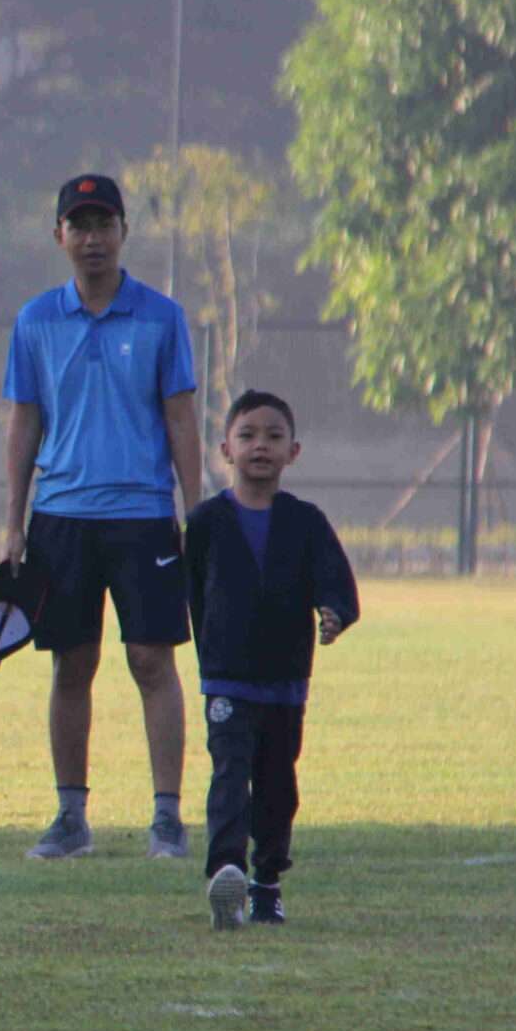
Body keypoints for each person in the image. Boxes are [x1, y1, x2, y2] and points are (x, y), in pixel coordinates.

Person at [3, 174, 203, 863]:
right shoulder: (35, 321)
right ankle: (70, 815)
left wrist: (194, 508)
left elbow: (181, 416)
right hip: (60, 517)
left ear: (124, 231)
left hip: (143, 514)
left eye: (104, 223)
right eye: (78, 224)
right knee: (71, 665)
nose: (92, 238)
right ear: (58, 235)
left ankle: (169, 818)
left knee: (153, 660)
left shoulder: (160, 316)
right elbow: (24, 424)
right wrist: (13, 521)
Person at [184, 391, 359, 930]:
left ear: (294, 451)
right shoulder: (207, 522)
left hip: (285, 682)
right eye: (248, 435)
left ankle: (266, 881)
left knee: (278, 785)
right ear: (226, 450)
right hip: (227, 681)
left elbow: (335, 582)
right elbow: (191, 589)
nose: (261, 445)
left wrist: (334, 613)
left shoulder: (306, 522)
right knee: (229, 776)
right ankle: (226, 875)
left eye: (274, 436)